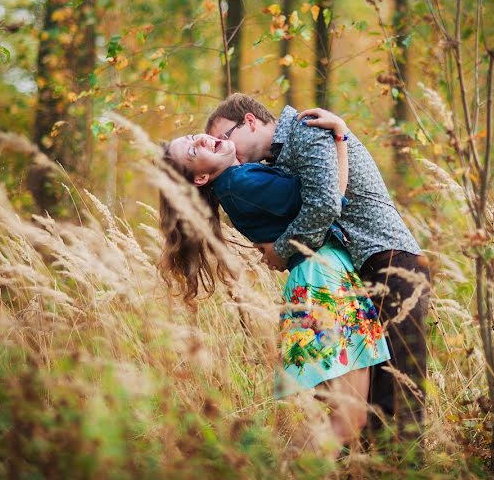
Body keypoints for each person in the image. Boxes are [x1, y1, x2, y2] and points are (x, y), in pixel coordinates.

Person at [158, 109, 391, 452]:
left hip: (321, 279)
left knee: (349, 417)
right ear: (200, 178)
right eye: (194, 150)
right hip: (322, 282)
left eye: (195, 137)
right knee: (348, 420)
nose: (203, 139)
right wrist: (340, 137)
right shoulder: (241, 184)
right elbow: (327, 200)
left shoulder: (240, 183)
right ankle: (283, 469)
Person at [204, 94, 431, 443]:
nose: (226, 148)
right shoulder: (276, 161)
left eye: (225, 137)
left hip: (390, 263)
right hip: (357, 270)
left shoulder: (306, 130)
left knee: (399, 403)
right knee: (364, 408)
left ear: (250, 121)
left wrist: (280, 251)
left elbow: (325, 205)